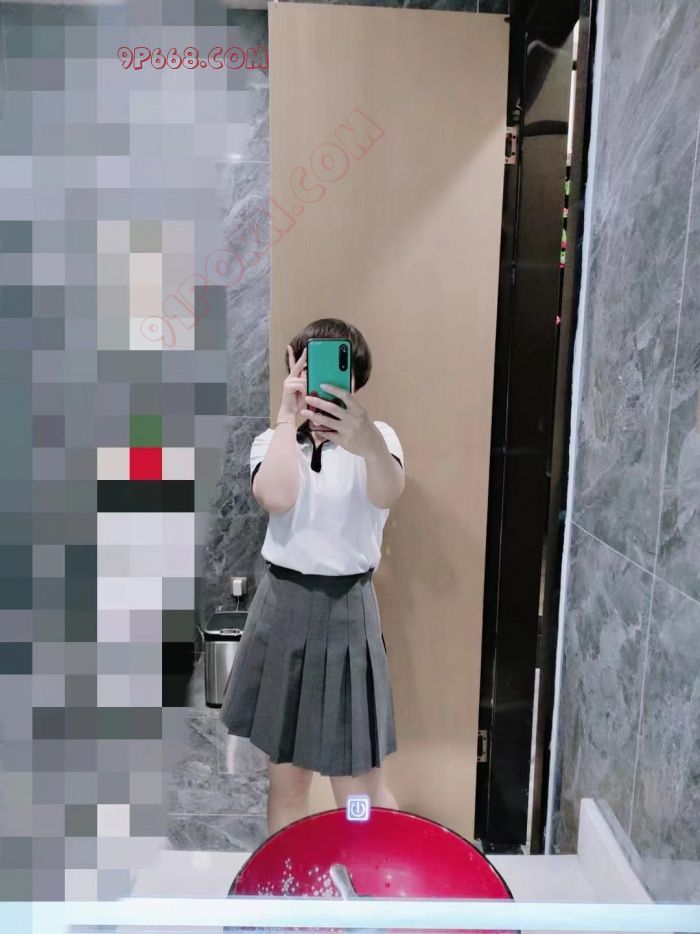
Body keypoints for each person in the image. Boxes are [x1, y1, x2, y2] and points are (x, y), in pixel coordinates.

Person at [219, 318, 405, 835]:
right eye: (307, 370)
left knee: (360, 793)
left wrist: (365, 440)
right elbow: (275, 497)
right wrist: (286, 417)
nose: (319, 385)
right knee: (288, 787)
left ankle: (372, 873)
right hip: (283, 609)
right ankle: (289, 882)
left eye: (333, 372)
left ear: (355, 378)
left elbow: (388, 492)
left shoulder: (379, 441)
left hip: (349, 611)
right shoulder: (273, 441)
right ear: (293, 373)